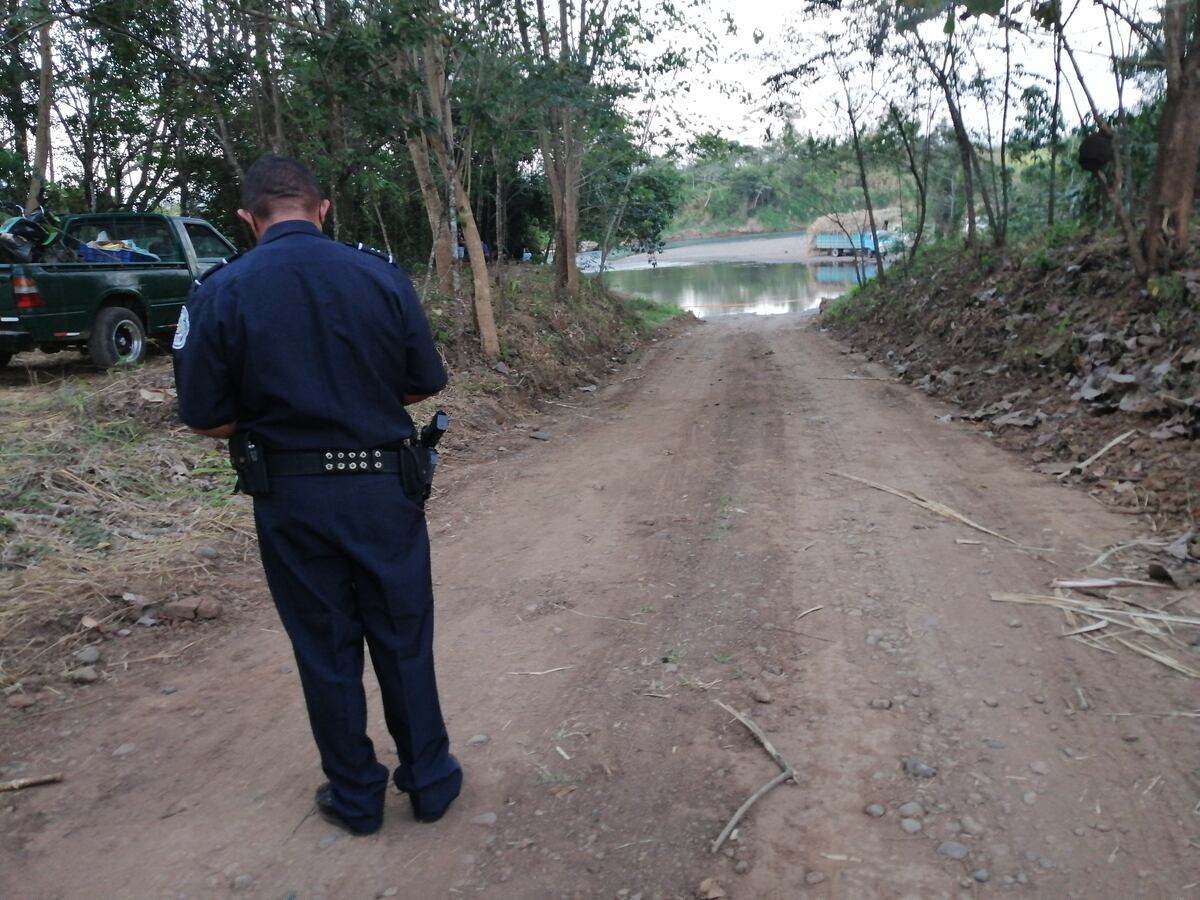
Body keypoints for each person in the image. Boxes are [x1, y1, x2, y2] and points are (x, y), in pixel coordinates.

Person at [172, 156, 462, 835]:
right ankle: (431, 782)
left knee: (326, 650)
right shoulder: (379, 275)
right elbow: (424, 381)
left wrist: (284, 416)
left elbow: (206, 416)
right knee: (404, 639)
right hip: (385, 490)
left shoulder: (218, 291)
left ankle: (357, 798)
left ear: (249, 220)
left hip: (293, 500)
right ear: (322, 208)